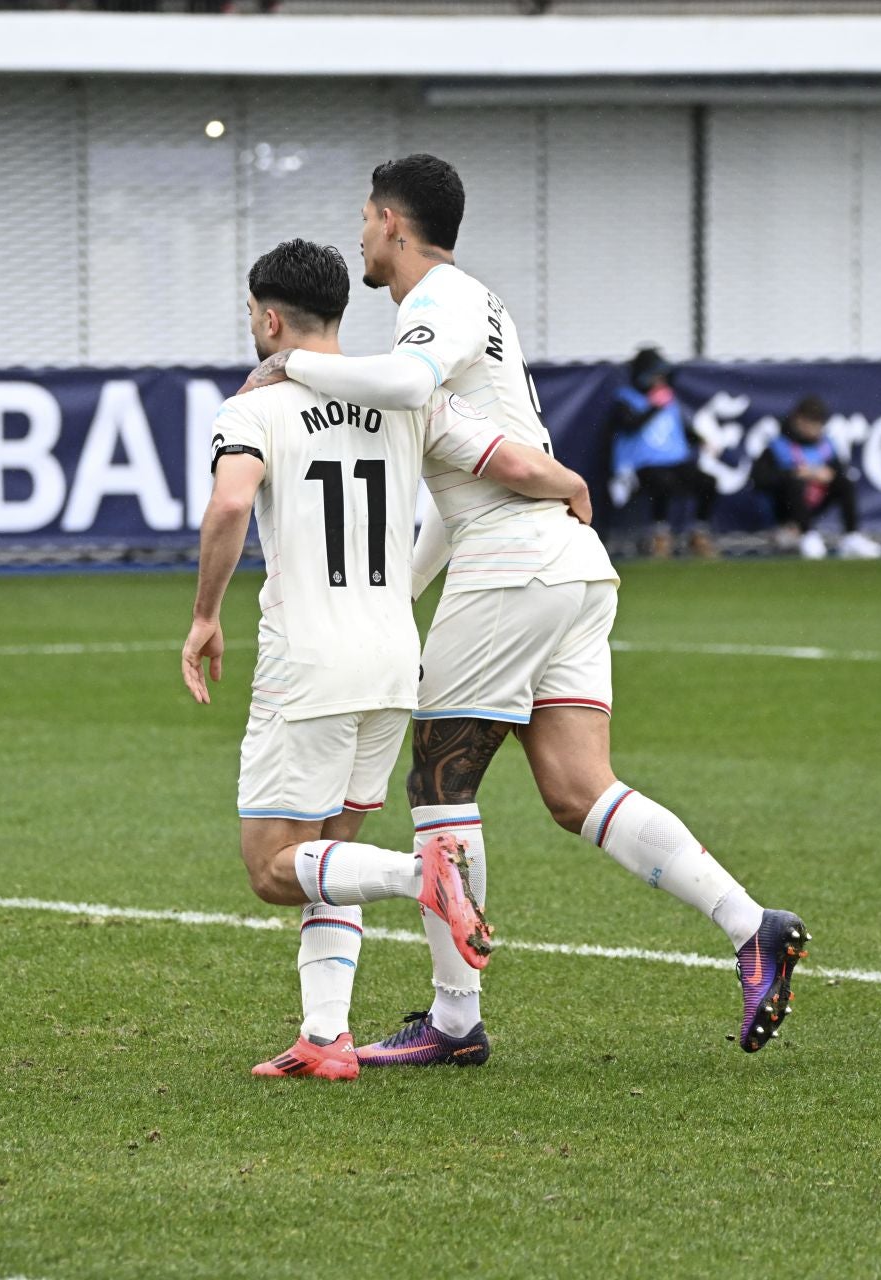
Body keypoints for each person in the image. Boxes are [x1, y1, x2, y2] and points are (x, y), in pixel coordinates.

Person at [242, 155, 808, 1062]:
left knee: (438, 785)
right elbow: (473, 463)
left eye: (363, 219)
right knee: (580, 790)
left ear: (392, 222)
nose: (359, 237)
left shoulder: (438, 302)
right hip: (560, 559)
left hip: (513, 563)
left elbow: (411, 388)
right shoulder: (475, 306)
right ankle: (753, 925)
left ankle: (456, 1022)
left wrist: (290, 364)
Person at [185, 237, 594, 1079]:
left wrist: (203, 617)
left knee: (272, 867)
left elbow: (231, 502)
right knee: (333, 851)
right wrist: (568, 486)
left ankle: (422, 876)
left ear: (269, 318)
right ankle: (325, 1038)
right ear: (339, 310)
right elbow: (513, 461)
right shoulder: (408, 399)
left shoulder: (257, 403)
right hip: (391, 657)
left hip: (310, 658)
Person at [607, 347, 719, 559]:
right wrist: (654, 406)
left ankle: (698, 533)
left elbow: (680, 429)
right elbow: (630, 425)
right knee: (662, 483)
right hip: (642, 465)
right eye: (655, 375)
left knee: (707, 482)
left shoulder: (669, 400)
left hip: (675, 461)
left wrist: (701, 439)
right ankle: (660, 534)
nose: (660, 380)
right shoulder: (625, 399)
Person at [750, 396, 881, 560]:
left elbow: (838, 471)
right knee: (795, 483)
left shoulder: (826, 446)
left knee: (844, 482)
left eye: (818, 424)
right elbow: (758, 480)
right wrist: (792, 474)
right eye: (810, 422)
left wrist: (826, 474)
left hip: (816, 502)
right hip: (785, 509)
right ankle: (807, 535)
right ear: (798, 420)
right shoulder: (777, 447)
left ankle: (851, 536)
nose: (815, 429)